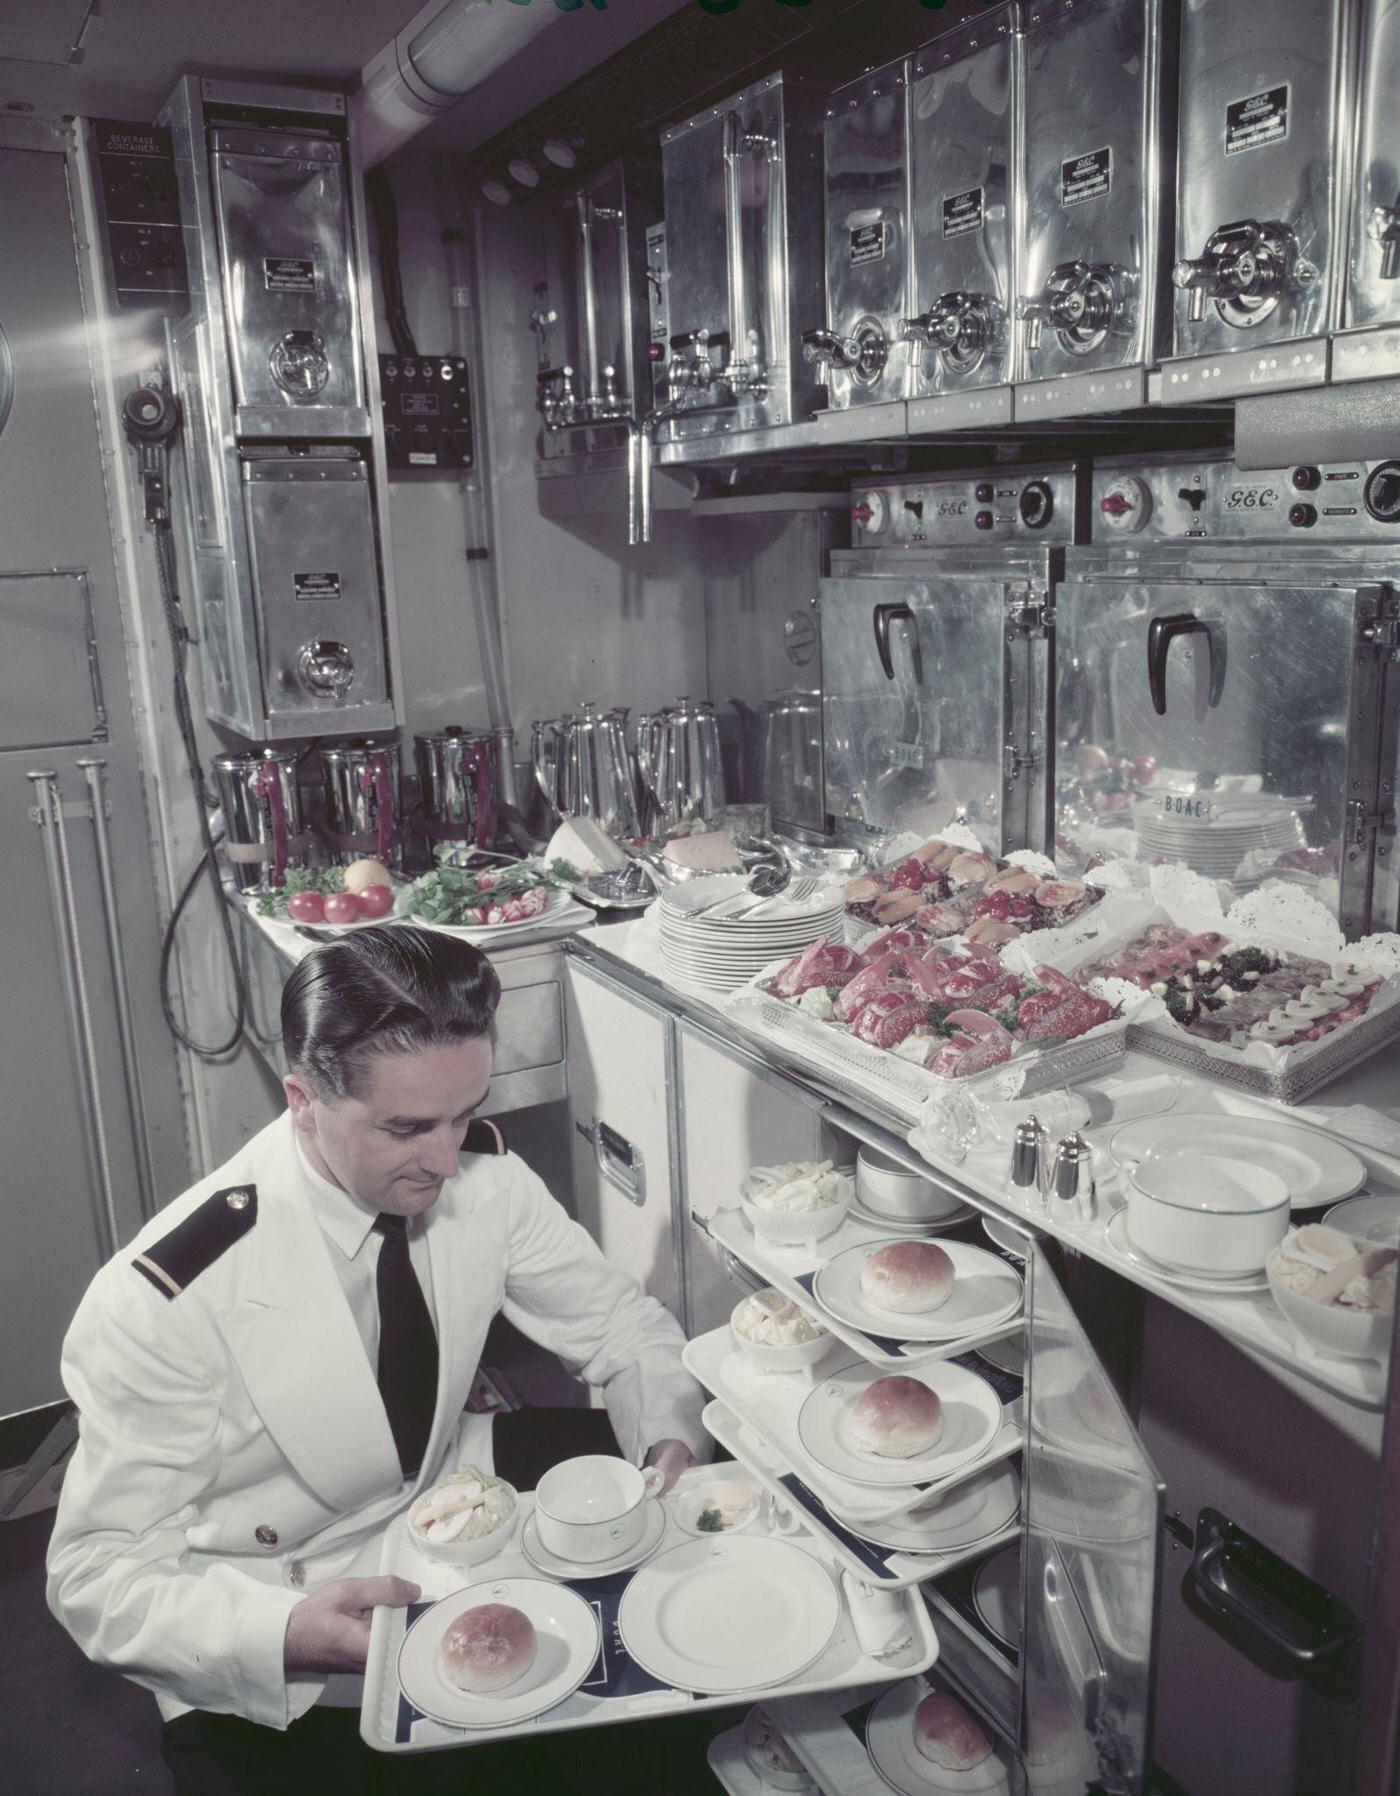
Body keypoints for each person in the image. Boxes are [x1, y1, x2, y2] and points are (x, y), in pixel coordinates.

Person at [47, 925, 709, 1793]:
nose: (444, 1159)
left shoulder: (483, 1179)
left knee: (676, 1724)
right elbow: (97, 1576)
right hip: (281, 1612)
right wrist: (286, 1632)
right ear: (303, 1099)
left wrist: (667, 1436)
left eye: (465, 1114)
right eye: (405, 1127)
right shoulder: (165, 1299)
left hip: (449, 1519)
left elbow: (624, 1328)